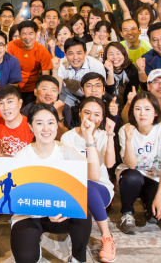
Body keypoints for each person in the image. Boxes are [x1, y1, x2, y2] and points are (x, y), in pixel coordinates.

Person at [10, 103, 100, 263]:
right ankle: (33, 250)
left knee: (83, 208)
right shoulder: (21, 157)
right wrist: (46, 209)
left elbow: (94, 175)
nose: (46, 128)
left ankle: (78, 258)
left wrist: (88, 137)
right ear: (31, 126)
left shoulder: (67, 151)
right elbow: (17, 200)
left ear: (57, 125)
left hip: (61, 212)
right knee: (25, 258)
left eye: (51, 122)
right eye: (39, 123)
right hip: (29, 215)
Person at [60, 97, 117, 262]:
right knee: (82, 185)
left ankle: (106, 237)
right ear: (79, 113)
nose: (91, 118)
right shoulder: (68, 137)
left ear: (102, 118)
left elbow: (110, 163)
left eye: (97, 114)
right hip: (73, 189)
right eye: (87, 113)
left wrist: (109, 135)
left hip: (100, 190)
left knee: (89, 185)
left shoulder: (103, 136)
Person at [116, 92, 161, 235]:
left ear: (156, 112)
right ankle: (127, 212)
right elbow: (131, 165)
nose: (142, 113)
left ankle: (148, 202)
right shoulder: (125, 130)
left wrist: (159, 198)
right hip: (132, 174)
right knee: (132, 177)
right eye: (137, 108)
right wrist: (128, 140)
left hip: (155, 176)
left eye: (147, 109)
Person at [6, 20, 52, 106]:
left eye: (31, 33)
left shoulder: (43, 51)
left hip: (33, 90)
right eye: (24, 33)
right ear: (19, 35)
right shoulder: (11, 46)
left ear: (36, 34)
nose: (27, 37)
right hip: (13, 87)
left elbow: (45, 77)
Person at [57, 37, 106, 108]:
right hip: (69, 95)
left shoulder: (96, 65)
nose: (75, 57)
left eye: (79, 53)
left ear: (85, 53)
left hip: (91, 95)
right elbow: (57, 90)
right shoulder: (61, 64)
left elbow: (100, 89)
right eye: (71, 53)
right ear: (65, 54)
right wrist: (55, 70)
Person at [103, 42, 140, 106]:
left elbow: (132, 91)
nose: (115, 57)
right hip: (107, 105)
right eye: (111, 54)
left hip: (126, 105)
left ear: (124, 54)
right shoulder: (102, 69)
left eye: (118, 53)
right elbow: (110, 90)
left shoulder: (131, 69)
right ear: (106, 56)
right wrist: (110, 71)